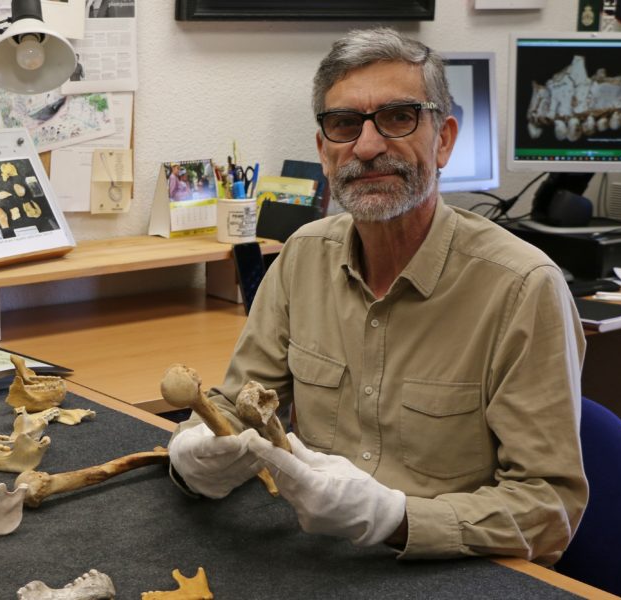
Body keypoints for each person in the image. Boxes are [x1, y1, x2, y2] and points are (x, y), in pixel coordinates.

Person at [168, 28, 588, 566]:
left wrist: (396, 518)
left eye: (398, 117)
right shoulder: (302, 256)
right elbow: (234, 407)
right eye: (344, 124)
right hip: (316, 564)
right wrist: (196, 452)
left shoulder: (524, 287)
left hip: (451, 572)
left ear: (444, 140)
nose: (367, 147)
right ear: (323, 150)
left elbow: (548, 509)